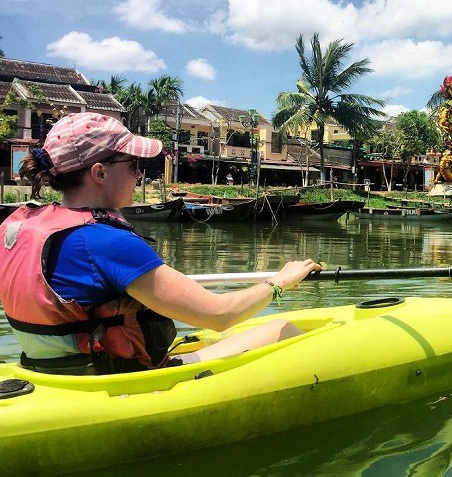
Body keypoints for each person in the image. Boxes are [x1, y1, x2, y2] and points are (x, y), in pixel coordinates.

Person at [0, 112, 321, 374]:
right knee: (282, 328)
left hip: (50, 372)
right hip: (116, 380)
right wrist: (280, 282)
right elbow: (219, 315)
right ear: (99, 173)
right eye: (134, 166)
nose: (139, 175)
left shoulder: (17, 226)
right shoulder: (105, 241)